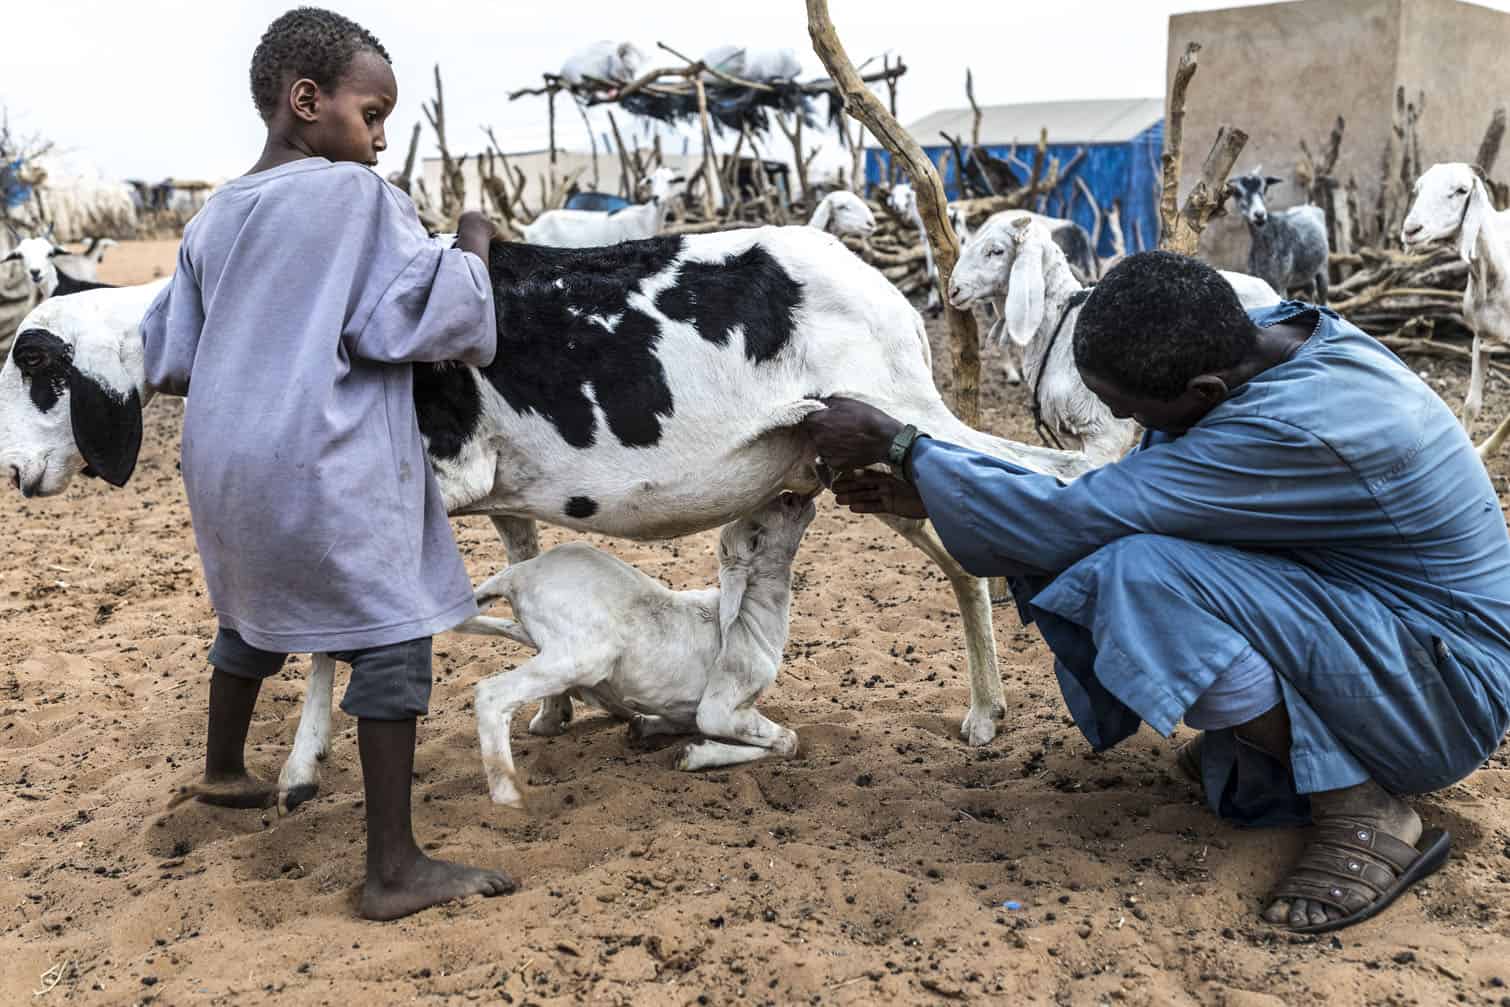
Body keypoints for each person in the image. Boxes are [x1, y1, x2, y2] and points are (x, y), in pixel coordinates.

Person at [802, 250, 1510, 933]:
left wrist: (905, 446)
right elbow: (1098, 502)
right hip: (1393, 626)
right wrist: (933, 485)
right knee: (1136, 546)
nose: (1135, 429)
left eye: (1134, 411)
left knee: (1140, 576)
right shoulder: (1280, 337)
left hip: (1446, 693)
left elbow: (1075, 518)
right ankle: (1286, 748)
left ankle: (1363, 805)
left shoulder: (1282, 433)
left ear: (1204, 392)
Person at [140, 7, 514, 920]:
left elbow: (173, 357)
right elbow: (429, 318)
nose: (381, 139)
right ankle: (393, 866)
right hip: (327, 457)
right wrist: (469, 239)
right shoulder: (357, 199)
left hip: (226, 470)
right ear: (307, 102)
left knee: (255, 612)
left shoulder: (210, 218)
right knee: (392, 626)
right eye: (372, 114)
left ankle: (225, 771)